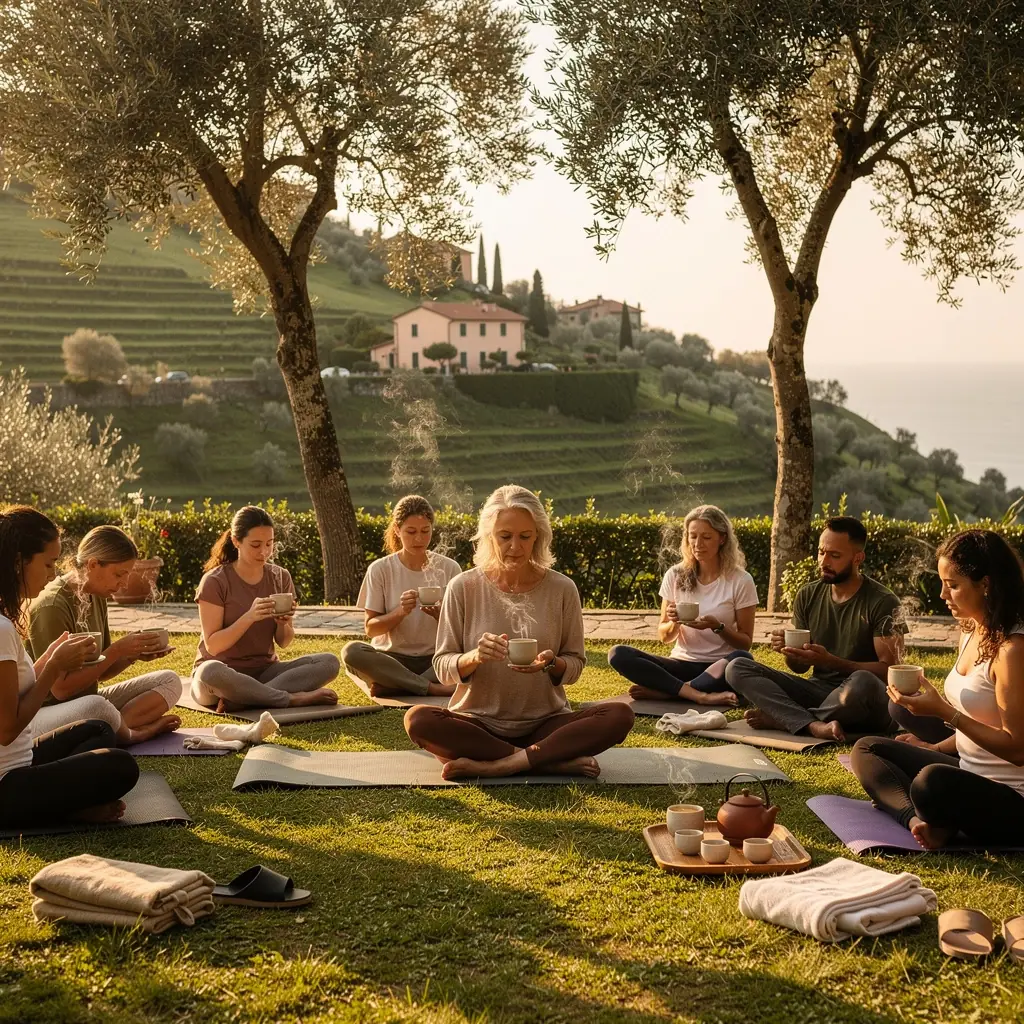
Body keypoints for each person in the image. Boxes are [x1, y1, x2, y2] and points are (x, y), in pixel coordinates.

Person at [404, 485, 634, 780]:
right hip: (477, 722)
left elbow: (575, 665)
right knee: (418, 719)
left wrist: (553, 664)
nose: (515, 546)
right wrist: (474, 657)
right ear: (489, 537)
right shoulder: (463, 587)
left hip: (547, 723)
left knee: (619, 715)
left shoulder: (562, 589)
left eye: (525, 536)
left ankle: (501, 764)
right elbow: (442, 665)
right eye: (505, 536)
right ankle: (545, 759)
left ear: (538, 535)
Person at [851, 530, 1024, 849]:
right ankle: (917, 820)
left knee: (930, 782)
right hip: (969, 768)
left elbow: (1017, 749)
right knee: (867, 749)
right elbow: (982, 716)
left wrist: (944, 711)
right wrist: (937, 748)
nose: (943, 595)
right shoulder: (972, 630)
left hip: (1013, 797)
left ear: (985, 584)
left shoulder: (1012, 650)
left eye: (953, 585)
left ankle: (937, 818)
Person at [0, 505, 139, 827]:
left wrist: (48, 657)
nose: (52, 573)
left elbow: (11, 692)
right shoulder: (3, 629)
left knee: (98, 728)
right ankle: (65, 809)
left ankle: (66, 805)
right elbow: (7, 730)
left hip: (19, 761)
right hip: (6, 782)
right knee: (121, 766)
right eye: (47, 563)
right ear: (19, 561)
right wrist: (53, 669)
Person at [725, 516, 905, 740]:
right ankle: (813, 724)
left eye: (834, 555)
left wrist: (832, 662)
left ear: (858, 558)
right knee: (738, 667)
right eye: (821, 552)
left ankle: (788, 719)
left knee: (862, 681)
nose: (824, 561)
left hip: (866, 699)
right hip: (819, 692)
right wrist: (790, 652)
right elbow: (799, 669)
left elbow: (891, 673)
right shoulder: (808, 594)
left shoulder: (883, 601)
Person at [26, 526, 182, 745]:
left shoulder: (96, 595)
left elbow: (101, 671)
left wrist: (131, 655)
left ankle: (112, 728)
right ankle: (132, 733)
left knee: (170, 680)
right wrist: (117, 649)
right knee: (97, 706)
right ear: (92, 565)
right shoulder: (52, 605)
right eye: (119, 575)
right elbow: (60, 690)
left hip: (87, 702)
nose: (124, 584)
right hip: (45, 713)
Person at [191, 506, 340, 711]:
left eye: (269, 544)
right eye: (255, 545)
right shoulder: (215, 581)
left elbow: (284, 642)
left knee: (329, 663)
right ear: (236, 542)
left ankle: (245, 698)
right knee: (209, 672)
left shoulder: (280, 577)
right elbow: (213, 647)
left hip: (265, 672)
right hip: (221, 676)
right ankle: (289, 699)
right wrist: (249, 617)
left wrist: (284, 623)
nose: (264, 552)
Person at [608, 504, 757, 705]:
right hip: (681, 663)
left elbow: (745, 641)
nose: (698, 543)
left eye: (706, 537)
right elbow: (664, 636)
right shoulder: (675, 575)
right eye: (692, 536)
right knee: (618, 654)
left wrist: (717, 627)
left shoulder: (741, 580)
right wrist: (674, 622)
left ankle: (670, 692)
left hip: (719, 666)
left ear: (722, 539)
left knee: (743, 659)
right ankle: (698, 694)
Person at [342, 495, 462, 697]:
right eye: (411, 532)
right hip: (391, 658)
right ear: (397, 530)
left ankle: (397, 685)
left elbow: (463, 629)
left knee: (476, 652)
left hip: (435, 659)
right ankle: (429, 687)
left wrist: (441, 615)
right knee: (352, 652)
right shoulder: (380, 569)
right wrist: (400, 612)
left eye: (425, 531)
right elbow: (371, 629)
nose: (419, 539)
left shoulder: (449, 568)